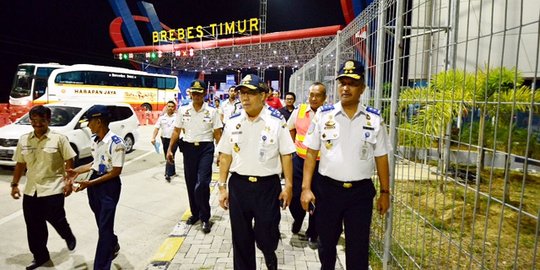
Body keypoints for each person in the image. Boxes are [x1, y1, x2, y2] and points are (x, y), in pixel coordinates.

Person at [300, 60, 391, 269]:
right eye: (342, 82)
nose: (345, 88)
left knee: (358, 249)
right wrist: (306, 188)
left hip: (360, 194)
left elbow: (382, 157)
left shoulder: (374, 119)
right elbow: (311, 153)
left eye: (352, 83)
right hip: (327, 191)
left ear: (362, 88)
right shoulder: (324, 115)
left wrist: (385, 192)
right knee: (326, 245)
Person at [216, 74, 296, 270]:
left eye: (250, 93)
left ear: (262, 95)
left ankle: (268, 252)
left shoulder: (277, 121)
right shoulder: (233, 121)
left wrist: (289, 187)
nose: (245, 97)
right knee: (241, 239)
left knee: (266, 234)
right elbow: (225, 155)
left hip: (267, 187)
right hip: (239, 187)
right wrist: (222, 186)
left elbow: (286, 154)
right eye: (242, 93)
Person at [10, 105, 77, 270]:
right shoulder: (24, 139)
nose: (37, 124)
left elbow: (70, 160)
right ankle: (40, 256)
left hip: (53, 188)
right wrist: (14, 184)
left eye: (41, 121)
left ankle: (67, 234)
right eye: (34, 121)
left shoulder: (59, 139)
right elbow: (20, 163)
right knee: (33, 226)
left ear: (48, 120)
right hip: (31, 190)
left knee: (56, 218)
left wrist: (68, 181)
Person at [67, 105, 126, 270]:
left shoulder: (116, 143)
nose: (88, 125)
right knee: (102, 224)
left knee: (104, 229)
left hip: (109, 187)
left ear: (98, 121)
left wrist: (89, 184)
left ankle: (101, 266)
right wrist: (76, 171)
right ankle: (113, 244)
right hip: (94, 184)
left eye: (90, 122)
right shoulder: (95, 140)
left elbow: (115, 171)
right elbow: (96, 163)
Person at [167, 80, 222, 234]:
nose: (196, 95)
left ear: (205, 93)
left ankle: (205, 217)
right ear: (190, 93)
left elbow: (218, 134)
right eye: (194, 92)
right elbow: (177, 131)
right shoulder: (183, 110)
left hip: (206, 149)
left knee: (202, 184)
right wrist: (170, 149)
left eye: (199, 92)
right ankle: (195, 214)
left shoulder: (212, 112)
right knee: (191, 183)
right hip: (189, 149)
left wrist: (221, 153)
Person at [287, 82, 326, 249]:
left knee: (317, 199)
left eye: (318, 95)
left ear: (325, 98)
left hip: (320, 164)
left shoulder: (329, 114)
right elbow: (290, 129)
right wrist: (292, 148)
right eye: (311, 95)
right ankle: (298, 217)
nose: (314, 98)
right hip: (299, 161)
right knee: (295, 197)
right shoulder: (300, 111)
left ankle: (313, 232)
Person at [151, 100, 178, 182]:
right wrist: (153, 137)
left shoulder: (177, 118)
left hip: (174, 140)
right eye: (169, 106)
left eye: (172, 106)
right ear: (166, 107)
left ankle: (168, 174)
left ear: (174, 108)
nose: (170, 108)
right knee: (168, 155)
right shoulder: (162, 118)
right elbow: (156, 128)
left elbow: (183, 128)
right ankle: (172, 171)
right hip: (164, 139)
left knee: (170, 154)